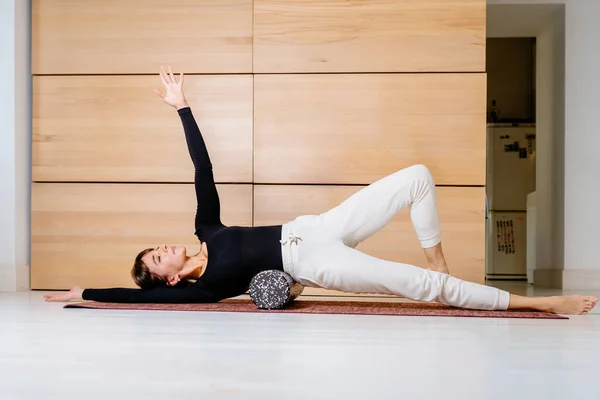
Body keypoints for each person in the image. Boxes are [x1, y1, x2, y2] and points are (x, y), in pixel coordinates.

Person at [45, 66, 598, 315]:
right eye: (155, 258)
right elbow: (139, 301)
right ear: (164, 277)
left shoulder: (205, 232)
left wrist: (183, 108)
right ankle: (541, 304)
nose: (161, 249)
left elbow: (202, 170)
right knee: (423, 288)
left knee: (417, 176)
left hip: (316, 226)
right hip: (318, 263)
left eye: (154, 247)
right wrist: (88, 295)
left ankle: (442, 261)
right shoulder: (203, 289)